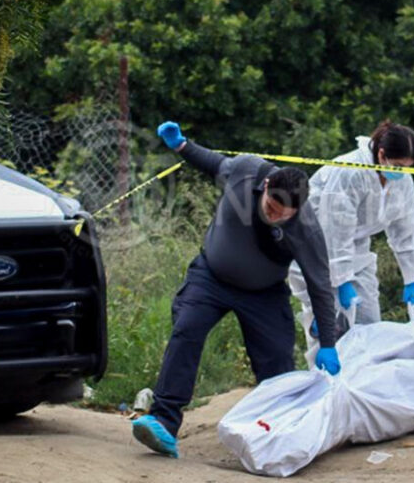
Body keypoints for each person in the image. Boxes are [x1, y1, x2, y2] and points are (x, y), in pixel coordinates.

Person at [131, 121, 342, 458]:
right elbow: (213, 164)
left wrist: (328, 344)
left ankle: (277, 436)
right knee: (187, 329)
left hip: (264, 294)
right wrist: (182, 146)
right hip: (211, 278)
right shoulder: (246, 171)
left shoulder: (305, 228)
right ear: (267, 186)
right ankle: (163, 421)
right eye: (271, 208)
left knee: (277, 367)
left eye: (283, 216)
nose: (275, 218)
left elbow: (320, 286)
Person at [290, 121, 414, 358]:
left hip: (358, 251)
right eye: (398, 165)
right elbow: (335, 228)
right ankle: (323, 384)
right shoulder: (350, 170)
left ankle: (362, 386)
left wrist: (411, 276)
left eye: (407, 167)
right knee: (327, 326)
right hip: (315, 246)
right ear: (381, 154)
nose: (401, 172)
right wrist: (342, 280)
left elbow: (406, 224)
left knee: (369, 324)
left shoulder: (402, 179)